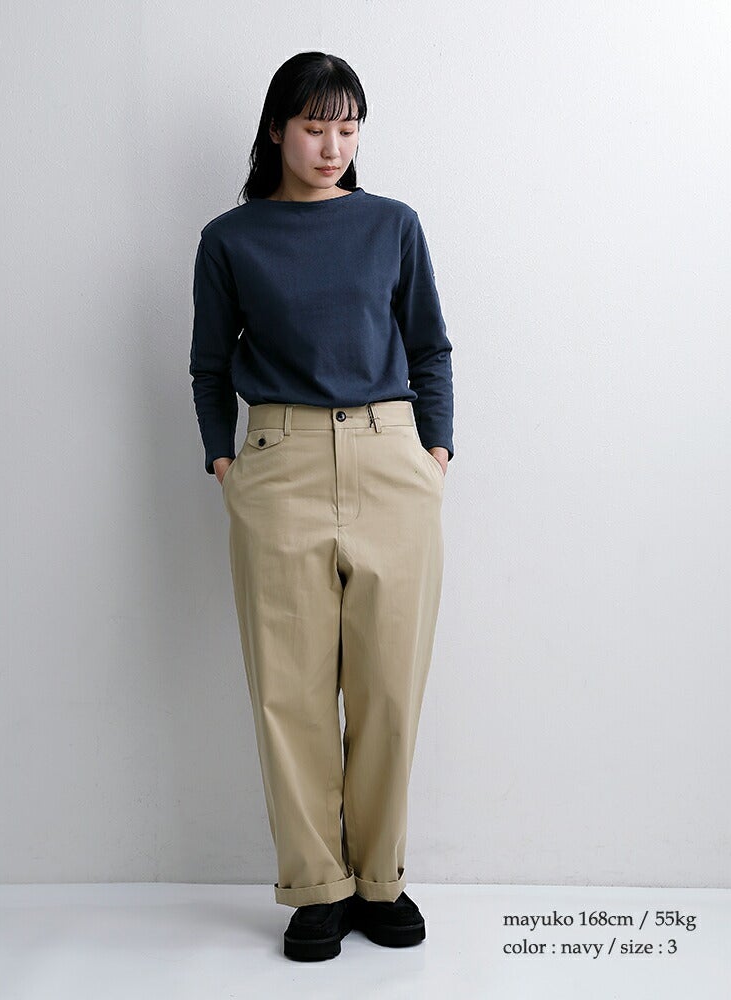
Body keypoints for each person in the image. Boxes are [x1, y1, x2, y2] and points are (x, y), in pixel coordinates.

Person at [189, 51, 454, 962]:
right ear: (276, 130)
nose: (333, 145)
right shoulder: (231, 238)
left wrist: (434, 452)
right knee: (289, 691)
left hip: (391, 458)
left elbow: (430, 345)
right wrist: (224, 460)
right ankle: (316, 888)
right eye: (314, 126)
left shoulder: (392, 225)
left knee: (388, 686)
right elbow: (209, 364)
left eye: (347, 127)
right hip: (279, 462)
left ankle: (380, 879)